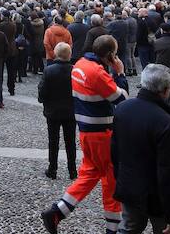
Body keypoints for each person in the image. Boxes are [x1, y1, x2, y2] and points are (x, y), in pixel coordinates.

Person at [41, 34, 129, 234]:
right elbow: (121, 99)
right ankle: (112, 228)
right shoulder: (97, 72)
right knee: (110, 178)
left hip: (87, 131)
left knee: (89, 173)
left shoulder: (80, 64)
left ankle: (57, 212)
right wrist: (120, 73)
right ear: (110, 55)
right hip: (102, 134)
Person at [111, 64, 170, 234]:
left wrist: (120, 180)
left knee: (128, 229)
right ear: (165, 90)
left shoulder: (122, 109)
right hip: (157, 197)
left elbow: (115, 153)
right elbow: (169, 174)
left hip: (129, 187)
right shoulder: (165, 122)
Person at [37, 42, 77, 181]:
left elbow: (42, 90)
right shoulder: (75, 70)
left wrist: (42, 100)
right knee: (70, 141)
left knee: (53, 140)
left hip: (53, 111)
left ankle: (52, 168)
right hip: (71, 111)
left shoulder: (49, 70)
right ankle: (72, 170)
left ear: (56, 54)